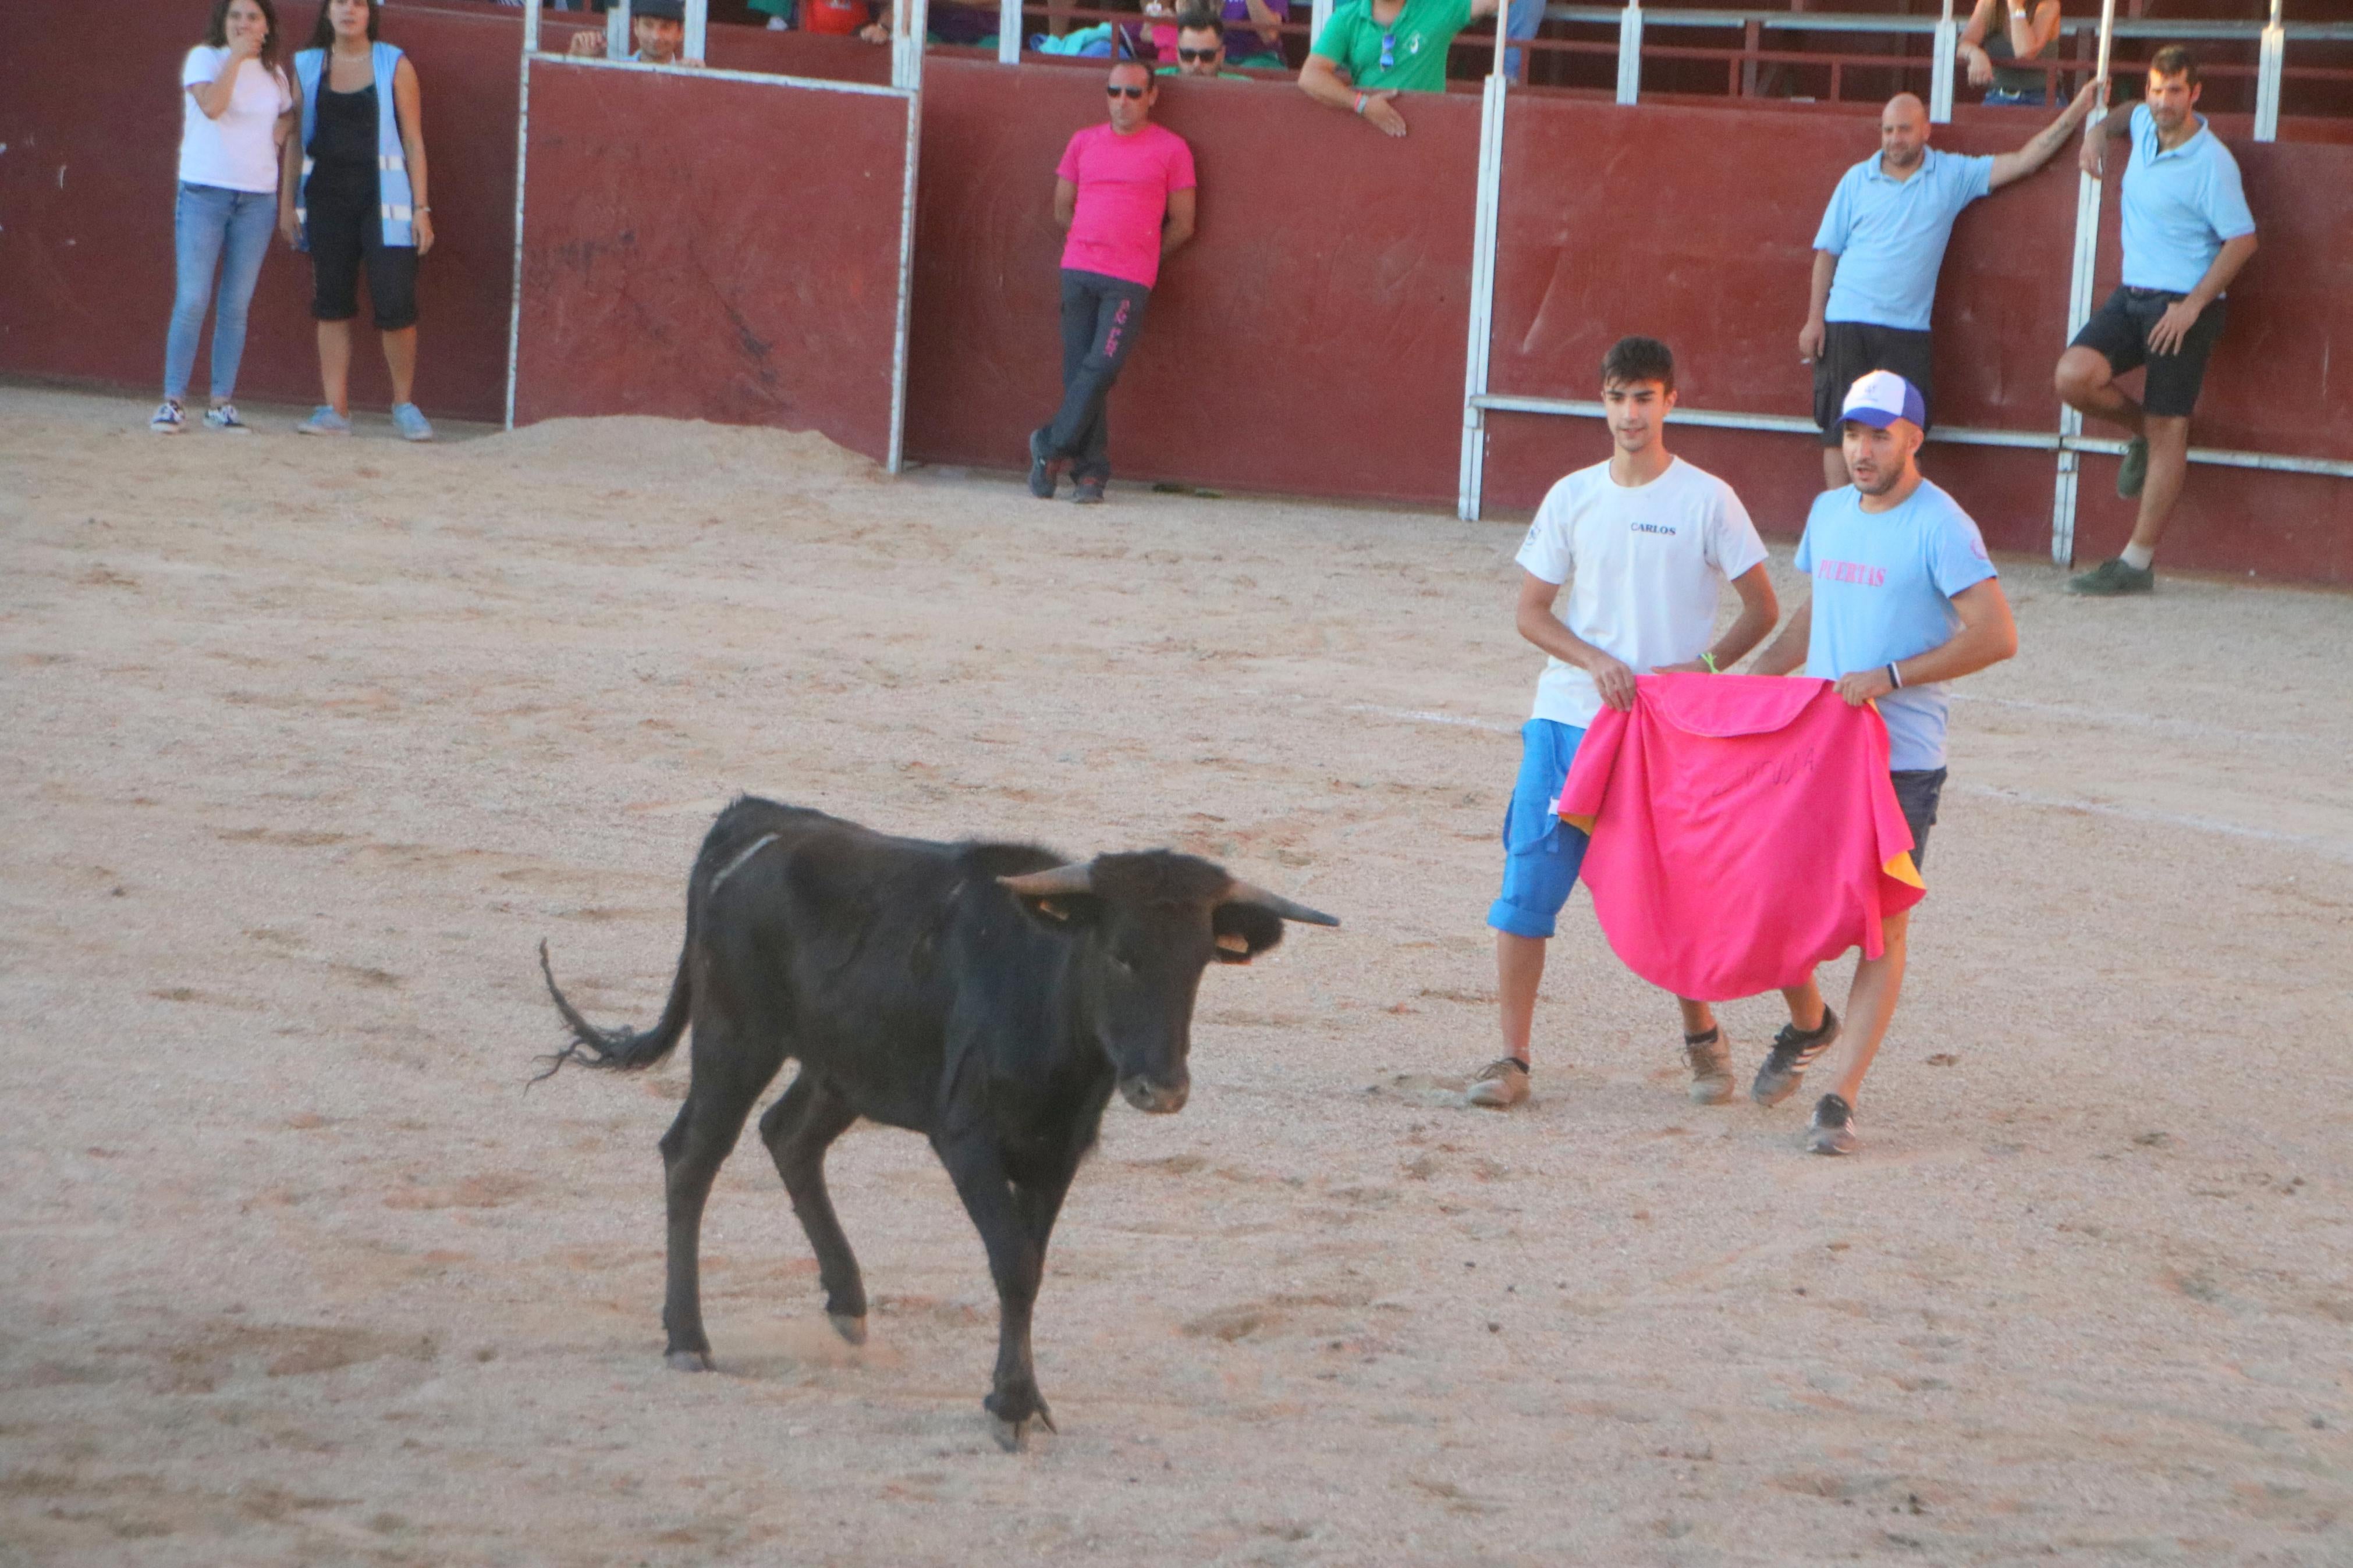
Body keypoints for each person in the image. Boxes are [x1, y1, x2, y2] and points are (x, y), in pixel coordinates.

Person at [1466, 337, 1836, 1113]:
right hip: (1569, 716)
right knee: (1527, 883)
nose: (1629, 413)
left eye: (1643, 397)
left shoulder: (1706, 498)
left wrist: (1700, 670)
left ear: (1670, 401)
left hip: (1666, 730)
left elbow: (1762, 607)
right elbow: (1531, 612)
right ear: (1599, 403)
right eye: (1615, 397)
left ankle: (1700, 1036)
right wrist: (1591, 659)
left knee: (1681, 888)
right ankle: (1510, 1056)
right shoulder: (1571, 495)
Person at [1748, 371, 2018, 1155]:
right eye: (1850, 434)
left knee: (1881, 926)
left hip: (1898, 759)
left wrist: (1891, 675)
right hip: (1814, 746)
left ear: (1912, 438)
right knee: (1769, 899)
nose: (1860, 450)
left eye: (1877, 434)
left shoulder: (1942, 526)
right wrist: (1754, 679)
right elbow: (1816, 607)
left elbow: (1995, 635)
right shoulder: (1828, 511)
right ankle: (1809, 1022)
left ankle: (1840, 1096)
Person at [1801, 83, 2102, 489]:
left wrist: (2078, 110)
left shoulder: (1951, 174)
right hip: (1844, 323)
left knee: (1904, 438)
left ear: (1926, 130)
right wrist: (1814, 319)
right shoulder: (1856, 179)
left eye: (1903, 130)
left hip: (1907, 330)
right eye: (1887, 131)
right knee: (1840, 433)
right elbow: (1827, 253)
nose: (1894, 139)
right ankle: (1841, 531)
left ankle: (1895, 532)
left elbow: (2023, 160)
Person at [2056, 47, 2257, 597]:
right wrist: (2098, 130)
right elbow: (2123, 113)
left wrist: (2192, 306)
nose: (2161, 102)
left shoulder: (2211, 161)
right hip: (2132, 295)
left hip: (2181, 306)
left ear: (2195, 94)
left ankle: (2137, 562)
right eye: (2154, 89)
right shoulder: (2142, 121)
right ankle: (2144, 434)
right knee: (2073, 374)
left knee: (2172, 425)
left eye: (2173, 91)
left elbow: (2242, 239)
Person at [1027, 62, 1197, 506]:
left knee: (1101, 368)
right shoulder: (1083, 142)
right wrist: (1090, 240)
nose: (1123, 100)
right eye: (1115, 91)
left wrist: (1142, 256)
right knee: (1079, 372)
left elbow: (1183, 224)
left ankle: (1049, 444)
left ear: (1152, 97)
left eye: (1133, 93)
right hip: (1079, 268)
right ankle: (1090, 473)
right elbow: (1062, 207)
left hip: (1128, 279)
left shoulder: (1172, 149)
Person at [281, 0, 436, 440]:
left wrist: (421, 210)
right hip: (326, 199)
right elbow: (293, 141)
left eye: (358, 3)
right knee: (331, 303)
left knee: (395, 303)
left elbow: (413, 142)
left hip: (386, 202)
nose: (349, 10)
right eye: (340, 2)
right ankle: (336, 409)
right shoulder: (308, 65)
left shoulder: (395, 64)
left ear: (370, 12)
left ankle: (403, 405)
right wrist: (286, 203)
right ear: (326, 12)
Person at [155, 0, 296, 436]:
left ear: (267, 26)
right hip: (204, 191)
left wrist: (281, 129)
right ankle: (173, 400)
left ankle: (221, 403)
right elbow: (214, 106)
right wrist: (236, 56)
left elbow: (289, 110)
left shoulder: (275, 74)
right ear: (223, 21)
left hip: (257, 198)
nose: (243, 23)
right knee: (194, 297)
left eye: (253, 17)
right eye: (236, 15)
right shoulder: (205, 57)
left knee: (235, 305)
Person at [1298, 0, 1501, 139]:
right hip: (1368, 135)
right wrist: (1362, 105)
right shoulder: (1346, 18)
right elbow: (1310, 76)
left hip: (1428, 135)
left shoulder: (1437, 7)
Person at [1959, 0, 2062, 107]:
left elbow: (2025, 52)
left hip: (2041, 98)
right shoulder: (1989, 4)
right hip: (1998, 96)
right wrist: (1975, 54)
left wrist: (2015, 5)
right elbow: (1963, 44)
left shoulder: (2048, 4)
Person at [566, 0, 705, 63]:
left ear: (680, 32)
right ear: (636, 27)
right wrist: (576, 61)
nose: (656, 36)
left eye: (666, 27)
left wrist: (698, 81)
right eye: (648, 25)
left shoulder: (688, 73)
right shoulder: (616, 71)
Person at [1156, 15, 1249, 77]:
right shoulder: (1156, 80)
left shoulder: (1244, 88)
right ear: (1177, 53)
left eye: (1207, 56)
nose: (1197, 64)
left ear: (1222, 55)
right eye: (1188, 55)